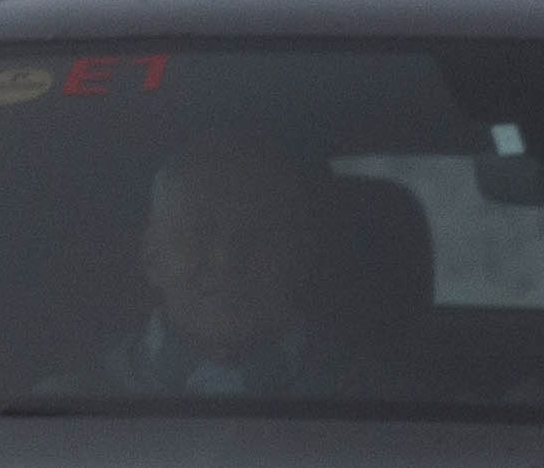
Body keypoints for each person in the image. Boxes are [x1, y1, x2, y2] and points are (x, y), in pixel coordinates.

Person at [107, 138, 364, 394]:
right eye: (198, 233)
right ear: (152, 257)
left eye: (255, 233)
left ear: (299, 255)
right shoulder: (77, 403)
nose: (225, 260)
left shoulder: (380, 406)